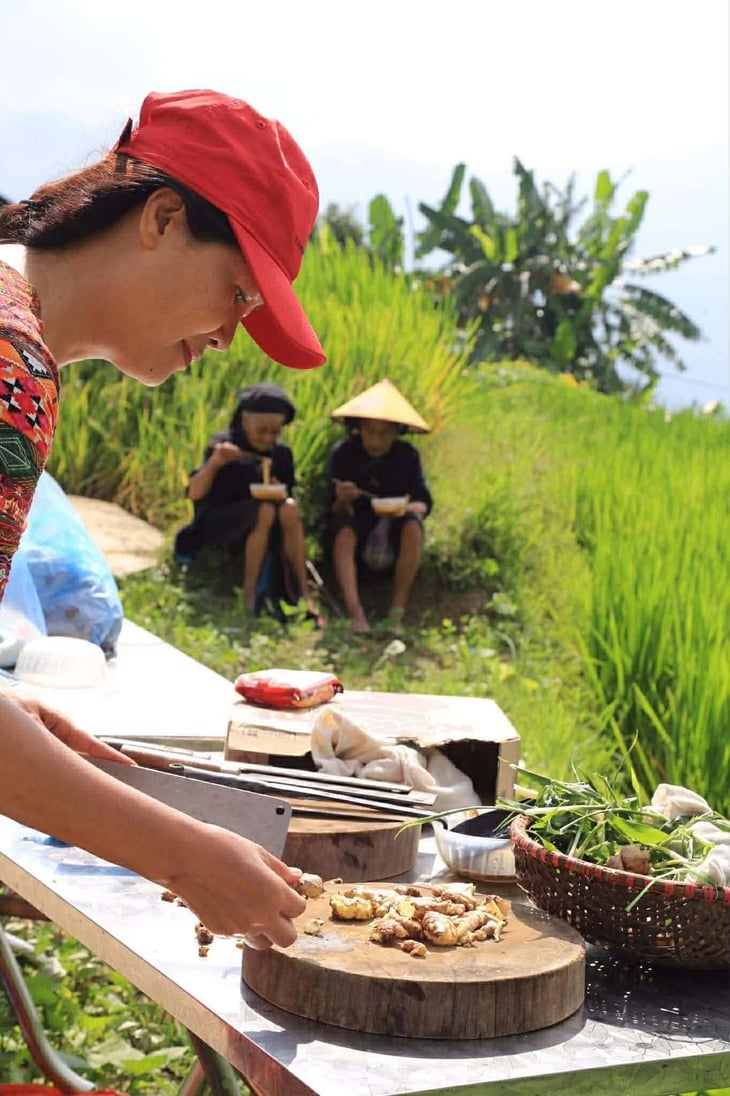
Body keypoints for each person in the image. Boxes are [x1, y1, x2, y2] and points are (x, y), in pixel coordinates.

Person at [0, 88, 328, 949]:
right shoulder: (11, 360)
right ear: (163, 217)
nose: (229, 336)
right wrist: (182, 856)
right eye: (237, 292)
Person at [175, 381, 324, 624]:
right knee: (264, 510)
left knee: (289, 508)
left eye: (274, 432)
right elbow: (195, 494)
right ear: (245, 421)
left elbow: (285, 492)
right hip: (220, 520)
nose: (267, 438)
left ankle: (303, 591)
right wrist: (215, 463)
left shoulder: (281, 454)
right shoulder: (223, 445)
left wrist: (276, 486)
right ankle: (250, 593)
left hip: (267, 523)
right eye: (261, 431)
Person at [325, 379, 433, 633]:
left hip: (394, 533)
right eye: (369, 431)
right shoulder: (343, 453)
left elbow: (423, 502)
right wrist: (342, 498)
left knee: (413, 527)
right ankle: (356, 614)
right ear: (359, 428)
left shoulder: (407, 456)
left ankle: (396, 614)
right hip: (356, 531)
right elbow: (333, 509)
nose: (375, 439)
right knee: (344, 532)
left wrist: (406, 509)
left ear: (396, 432)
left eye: (383, 433)